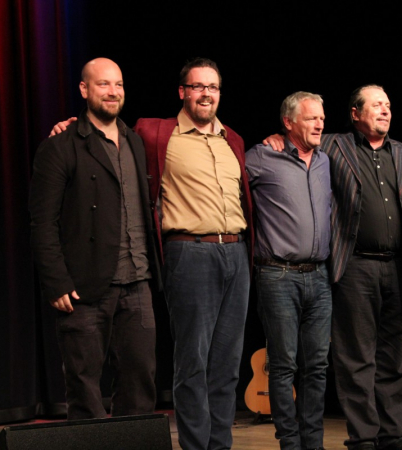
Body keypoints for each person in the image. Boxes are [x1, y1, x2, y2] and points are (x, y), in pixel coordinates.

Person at [50, 57, 253, 450]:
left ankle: (220, 445)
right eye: (197, 86)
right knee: (192, 363)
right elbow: (101, 129)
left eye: (212, 87)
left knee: (227, 366)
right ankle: (195, 445)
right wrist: (68, 126)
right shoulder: (154, 132)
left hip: (237, 254)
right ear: (183, 92)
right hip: (190, 254)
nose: (205, 94)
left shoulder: (234, 139)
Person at [266, 84, 402, 450]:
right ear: (356, 114)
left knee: (395, 359)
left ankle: (393, 436)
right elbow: (301, 132)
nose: (385, 110)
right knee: (356, 358)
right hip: (355, 266)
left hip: (399, 267)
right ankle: (364, 439)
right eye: (376, 105)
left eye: (388, 105)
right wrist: (279, 138)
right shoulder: (334, 145)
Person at [29, 58, 160, 420]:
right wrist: (56, 282)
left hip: (138, 282)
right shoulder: (60, 146)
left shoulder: (136, 141)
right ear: (84, 90)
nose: (113, 92)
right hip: (85, 287)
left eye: (118, 84)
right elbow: (42, 223)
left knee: (140, 382)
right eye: (103, 84)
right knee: (84, 387)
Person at [245, 92, 332, 450]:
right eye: (311, 118)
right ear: (288, 122)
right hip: (277, 275)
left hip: (320, 277)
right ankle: (290, 443)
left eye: (322, 118)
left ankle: (313, 442)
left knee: (317, 366)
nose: (320, 124)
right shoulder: (262, 156)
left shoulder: (328, 159)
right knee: (283, 366)